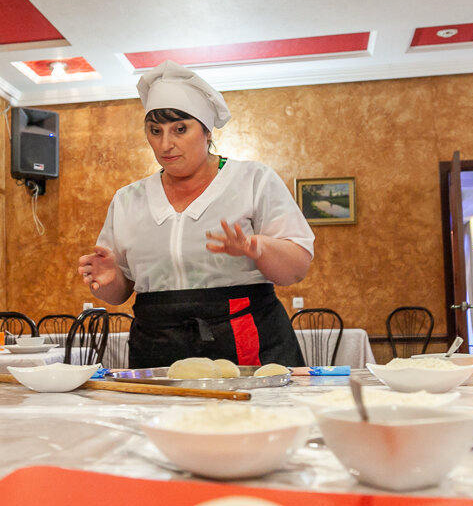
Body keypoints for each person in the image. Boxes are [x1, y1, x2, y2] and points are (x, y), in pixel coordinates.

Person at [77, 60, 315, 368]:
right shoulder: (128, 200)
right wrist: (110, 281)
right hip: (157, 343)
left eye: (180, 129)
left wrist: (257, 247)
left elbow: (296, 270)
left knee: (255, 417)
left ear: (206, 130)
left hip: (247, 341)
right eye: (155, 131)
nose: (165, 144)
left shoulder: (253, 180)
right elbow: (121, 291)